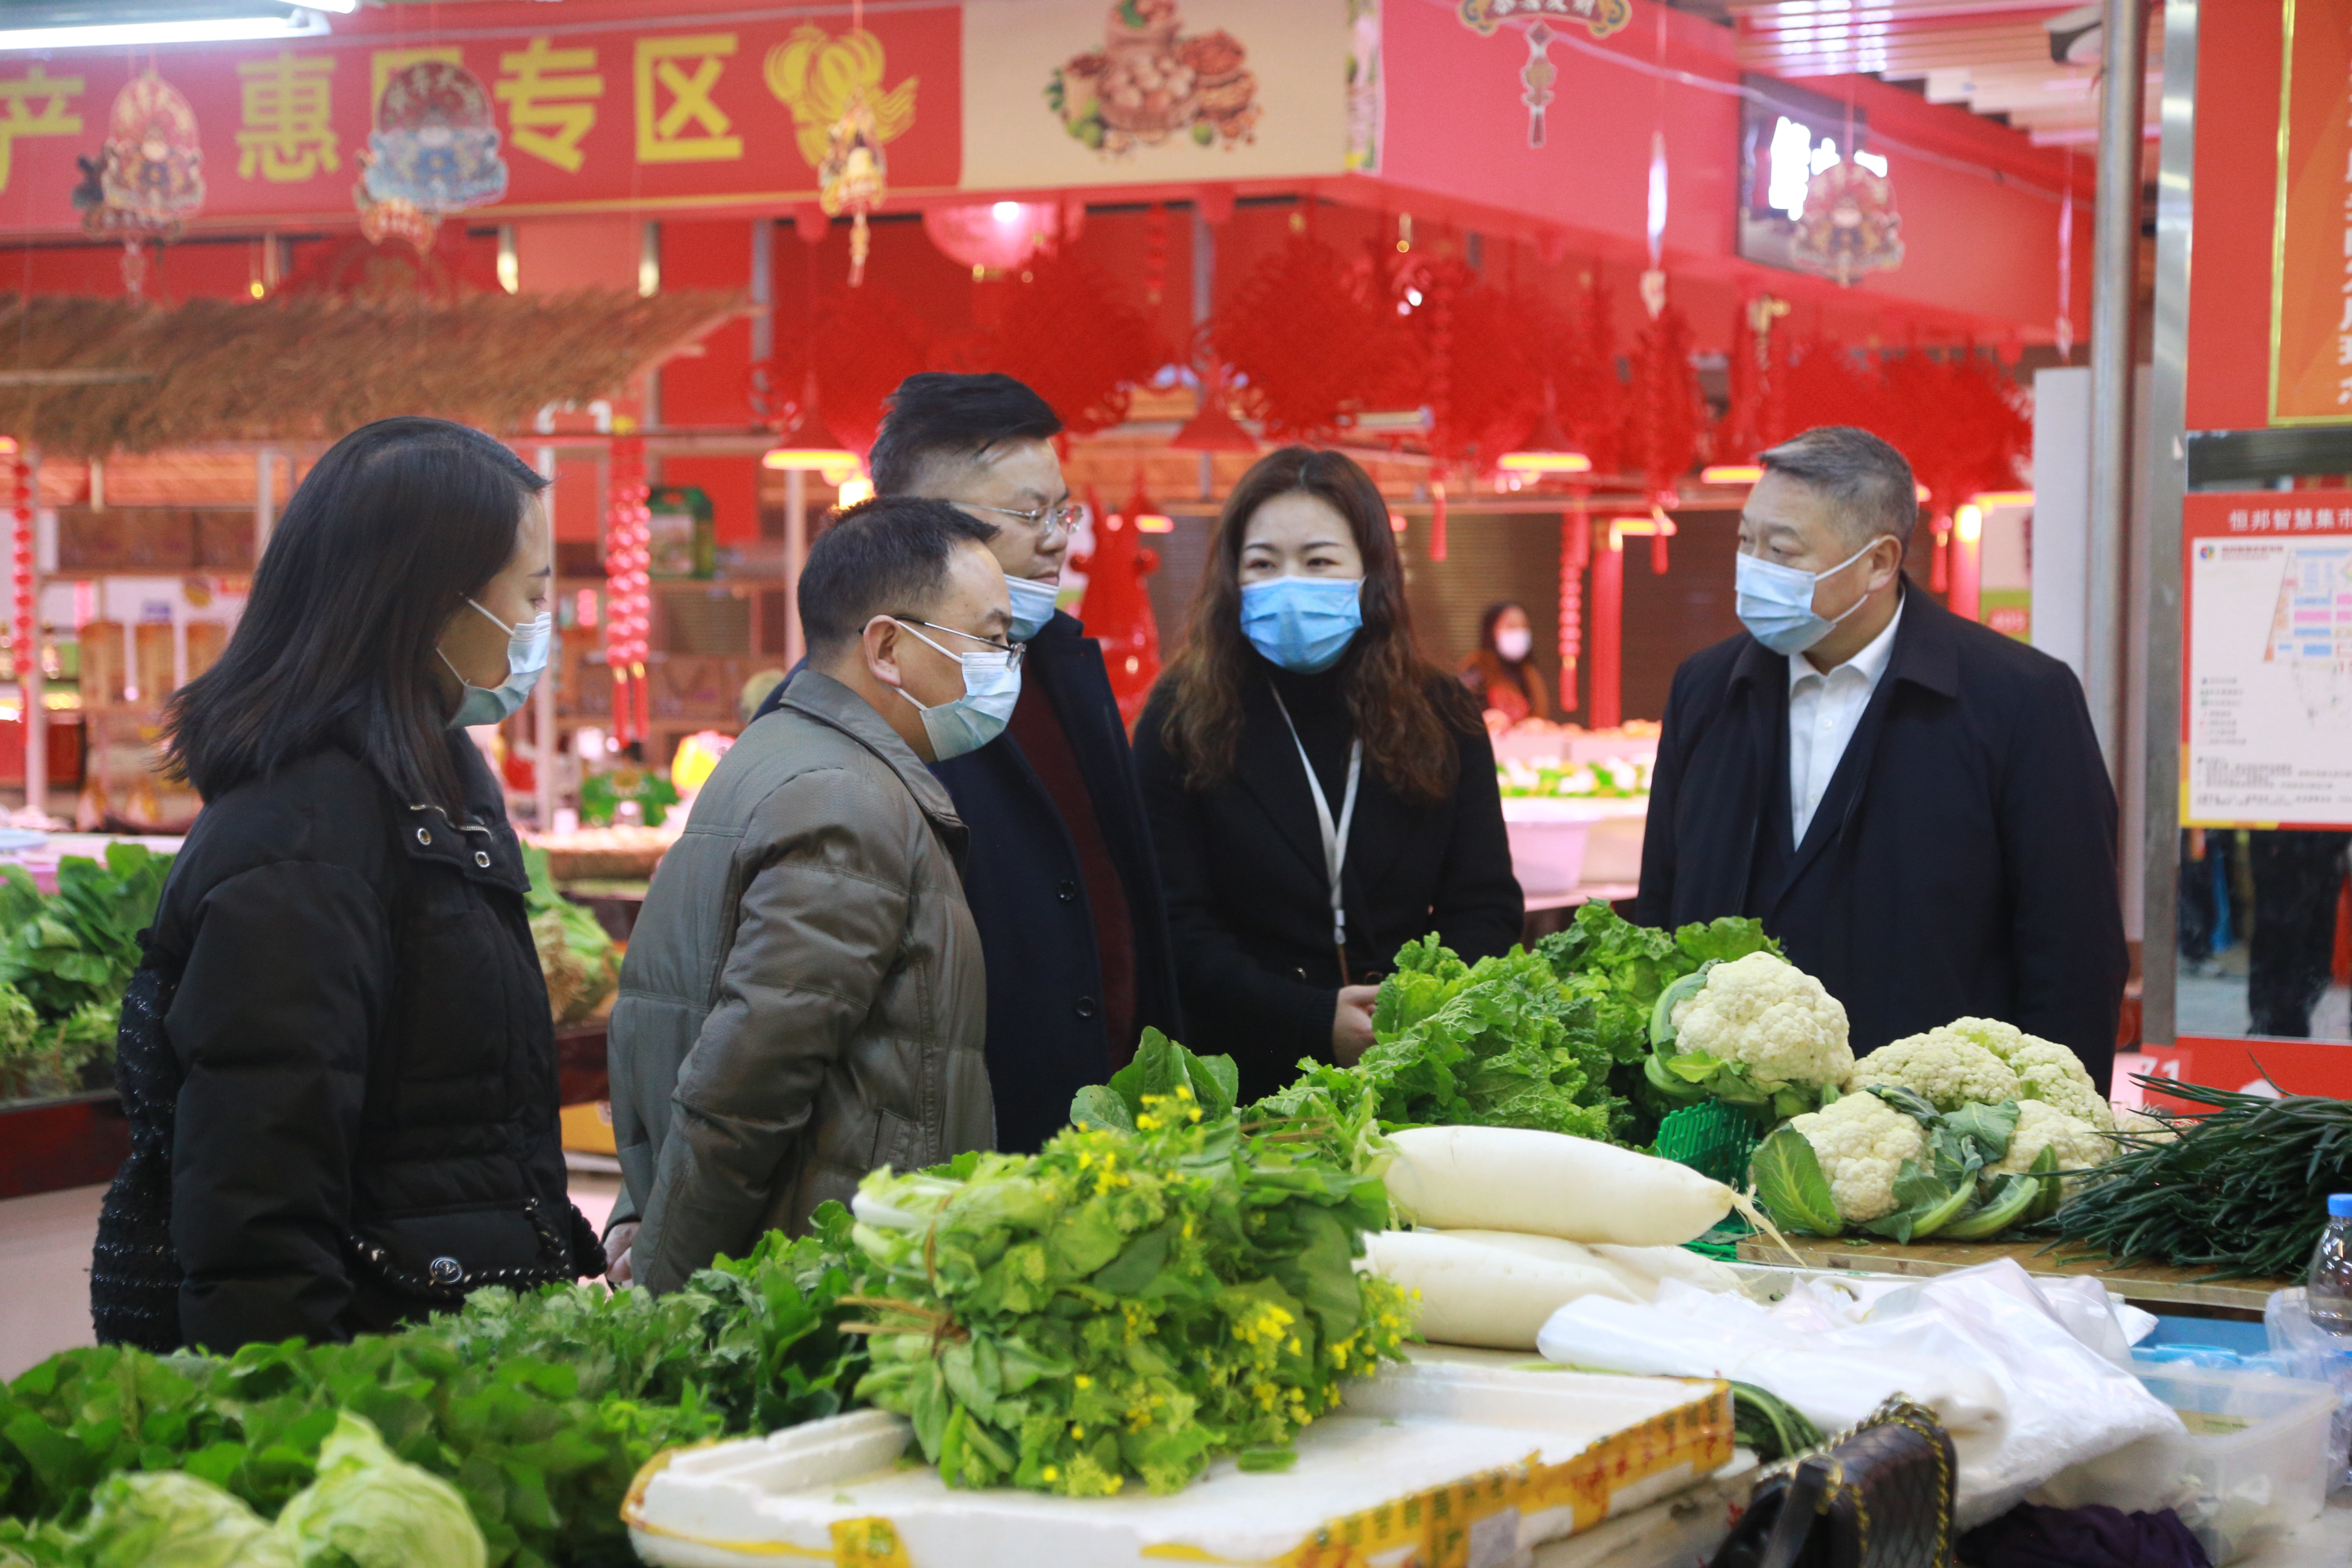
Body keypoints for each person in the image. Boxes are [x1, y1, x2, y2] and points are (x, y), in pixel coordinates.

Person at [89, 417, 600, 1354]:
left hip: (442, 1347)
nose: (540, 628)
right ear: (430, 600)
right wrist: (292, 1426)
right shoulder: (306, 836)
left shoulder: (437, 787)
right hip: (367, 1371)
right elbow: (259, 1192)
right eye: (529, 596)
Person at [751, 372, 1181, 1156]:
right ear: (919, 526)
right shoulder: (831, 713)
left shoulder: (1065, 665)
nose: (1056, 537)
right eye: (1027, 513)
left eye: (1062, 510)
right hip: (949, 1157)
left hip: (1112, 1137)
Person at [1637, 426, 2127, 1089]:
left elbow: (2073, 947)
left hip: (1938, 1131)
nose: (1753, 568)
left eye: (1782, 550)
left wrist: (2049, 1134)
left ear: (1879, 561)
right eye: (1746, 543)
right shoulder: (1707, 690)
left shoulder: (2019, 700)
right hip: (1724, 1113)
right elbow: (1660, 906)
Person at [606, 497, 1004, 1294]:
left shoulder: (781, 753)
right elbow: (746, 1084)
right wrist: (663, 1289)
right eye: (990, 639)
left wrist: (638, 1204)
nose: (1004, 663)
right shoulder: (846, 800)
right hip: (820, 1276)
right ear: (888, 646)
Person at [1133, 447, 1524, 1106]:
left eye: (1319, 562)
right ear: (1233, 578)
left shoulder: (1441, 711)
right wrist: (1312, 1020)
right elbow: (1173, 927)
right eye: (1263, 564)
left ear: (1370, 571)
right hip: (1238, 1074)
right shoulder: (1180, 716)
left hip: (1418, 1064)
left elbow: (1485, 905)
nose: (1290, 584)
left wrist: (1406, 1012)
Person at [1459, 602, 1552, 724]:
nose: (1519, 633)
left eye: (1524, 627)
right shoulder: (1477, 669)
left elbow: (1540, 715)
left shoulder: (1530, 676)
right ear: (1491, 630)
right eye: (1511, 627)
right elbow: (1460, 713)